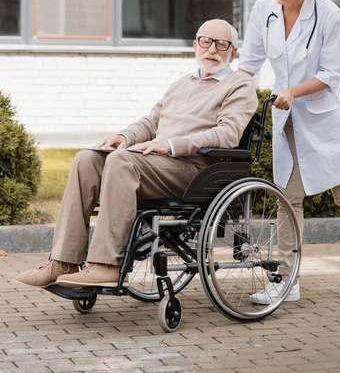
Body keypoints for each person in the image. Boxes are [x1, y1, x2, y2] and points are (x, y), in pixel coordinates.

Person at [16, 19, 258, 289]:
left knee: (122, 161)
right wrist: (124, 137)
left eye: (221, 44)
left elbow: (228, 134)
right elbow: (151, 122)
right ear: (195, 45)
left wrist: (172, 145)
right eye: (206, 41)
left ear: (233, 52)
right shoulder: (181, 84)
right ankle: (63, 260)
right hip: (158, 164)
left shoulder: (240, 86)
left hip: (196, 169)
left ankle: (107, 265)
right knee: (87, 159)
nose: (212, 49)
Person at [238, 0, 340, 302]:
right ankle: (287, 279)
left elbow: (331, 73)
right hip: (287, 118)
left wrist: (294, 92)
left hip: (322, 116)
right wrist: (227, 97)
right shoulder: (264, 9)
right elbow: (249, 62)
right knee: (288, 196)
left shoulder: (328, 14)